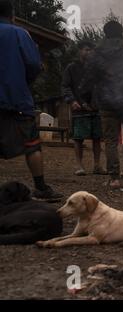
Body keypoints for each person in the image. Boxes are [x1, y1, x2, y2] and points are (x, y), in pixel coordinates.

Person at [0, 0, 63, 202]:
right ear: (12, 15)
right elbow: (34, 64)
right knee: (32, 145)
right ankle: (41, 187)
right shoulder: (19, 33)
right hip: (17, 100)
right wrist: (24, 81)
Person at [79, 21, 123, 189]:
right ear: (122, 33)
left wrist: (85, 98)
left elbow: (88, 79)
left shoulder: (97, 54)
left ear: (105, 34)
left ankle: (114, 178)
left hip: (107, 102)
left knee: (110, 140)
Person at [62, 41, 107, 177]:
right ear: (80, 51)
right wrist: (72, 100)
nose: (89, 52)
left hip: (95, 107)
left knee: (97, 137)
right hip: (79, 108)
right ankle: (79, 166)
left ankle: (97, 165)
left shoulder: (96, 68)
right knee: (78, 138)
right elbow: (65, 86)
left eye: (91, 50)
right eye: (86, 50)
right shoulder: (72, 68)